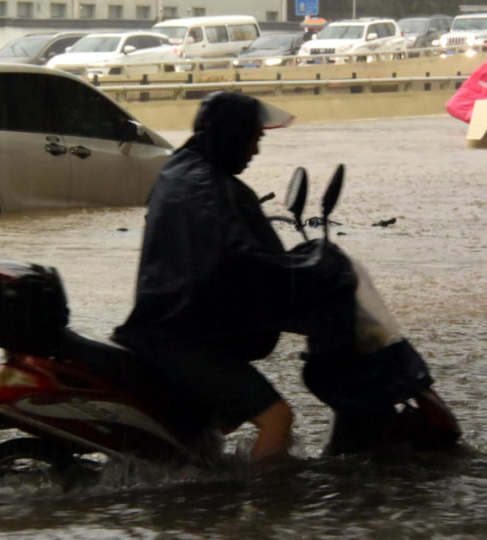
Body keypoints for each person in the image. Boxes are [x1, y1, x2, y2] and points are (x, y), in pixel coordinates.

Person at [112, 91, 356, 463]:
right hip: (179, 337)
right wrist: (309, 276)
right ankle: (263, 512)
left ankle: (200, 483)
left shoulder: (185, 170)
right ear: (233, 135)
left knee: (222, 417)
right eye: (254, 139)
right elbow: (240, 258)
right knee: (277, 418)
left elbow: (237, 254)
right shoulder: (205, 188)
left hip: (176, 324)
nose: (256, 151)